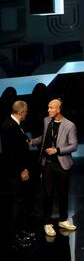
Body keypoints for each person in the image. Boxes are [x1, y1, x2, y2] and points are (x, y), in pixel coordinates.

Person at [30, 98, 78, 237]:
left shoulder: (69, 125)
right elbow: (44, 137)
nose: (48, 110)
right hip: (48, 165)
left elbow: (74, 146)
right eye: (48, 107)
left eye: (51, 108)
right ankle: (47, 222)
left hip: (62, 165)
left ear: (58, 109)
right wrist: (32, 142)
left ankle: (63, 219)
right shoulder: (47, 121)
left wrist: (57, 150)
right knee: (48, 194)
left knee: (63, 194)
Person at [1, 100, 31, 244]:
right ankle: (15, 234)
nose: (27, 114)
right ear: (20, 112)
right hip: (14, 171)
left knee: (19, 200)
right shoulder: (11, 127)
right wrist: (22, 170)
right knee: (17, 201)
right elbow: (12, 154)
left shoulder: (13, 124)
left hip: (13, 170)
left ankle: (19, 231)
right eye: (26, 111)